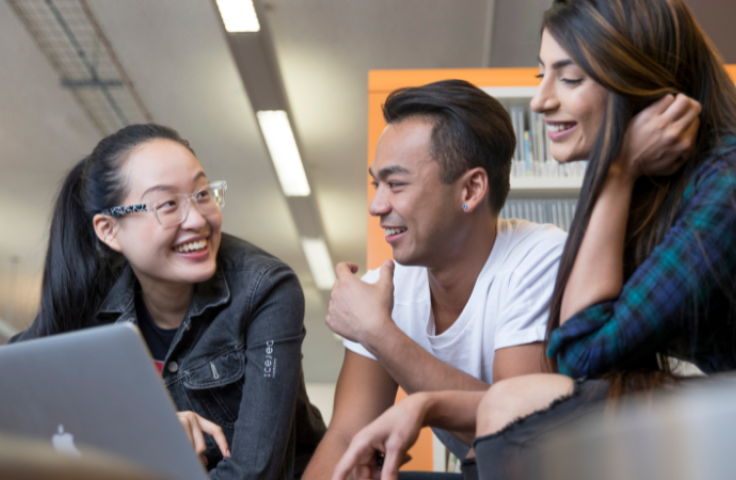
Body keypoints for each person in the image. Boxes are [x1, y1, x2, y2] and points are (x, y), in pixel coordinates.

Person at [331, 0, 736, 479]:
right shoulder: (650, 190)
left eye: (569, 78)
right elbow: (590, 356)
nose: (542, 99)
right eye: (541, 73)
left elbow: (579, 352)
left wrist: (619, 170)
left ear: (642, 80)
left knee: (519, 401)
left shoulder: (724, 184)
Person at [10, 124, 326, 479]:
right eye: (168, 204)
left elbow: (255, 472)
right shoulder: (92, 292)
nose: (197, 220)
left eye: (203, 194)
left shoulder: (265, 288)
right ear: (109, 230)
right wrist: (144, 433)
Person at [303, 80, 568, 479]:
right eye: (377, 184)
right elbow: (345, 438)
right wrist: (376, 327)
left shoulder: (539, 258)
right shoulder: (386, 290)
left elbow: (518, 435)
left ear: (471, 188)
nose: (376, 205)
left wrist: (379, 331)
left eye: (396, 184)